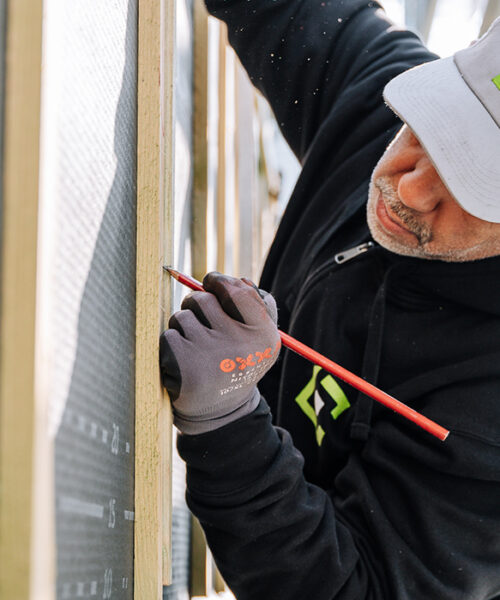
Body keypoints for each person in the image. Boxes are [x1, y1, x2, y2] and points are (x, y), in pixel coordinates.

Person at [160, 2, 500, 598]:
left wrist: (229, 424)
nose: (409, 187)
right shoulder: (380, 104)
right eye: (433, 130)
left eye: (471, 186)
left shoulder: (487, 408)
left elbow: (355, 587)